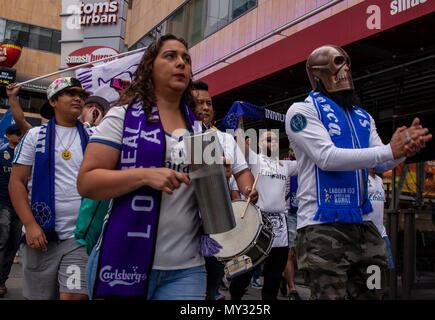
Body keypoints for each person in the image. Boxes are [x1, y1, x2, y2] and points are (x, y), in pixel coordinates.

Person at [77, 34, 256, 300]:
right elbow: (87, 183)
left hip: (186, 268)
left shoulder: (201, 131)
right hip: (124, 261)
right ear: (150, 67)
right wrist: (145, 176)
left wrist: (222, 181)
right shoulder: (123, 117)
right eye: (170, 56)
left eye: (186, 59)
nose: (181, 63)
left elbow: (211, 202)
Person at [285, 44, 432, 300]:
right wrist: (390, 151)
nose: (346, 69)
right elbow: (327, 157)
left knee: (374, 292)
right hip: (322, 229)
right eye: (339, 63)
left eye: (347, 63)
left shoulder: (363, 116)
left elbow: (379, 164)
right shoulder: (301, 111)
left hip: (366, 229)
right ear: (317, 74)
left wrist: (404, 150)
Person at [9, 77, 93, 300]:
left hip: (78, 237)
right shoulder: (34, 136)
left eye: (82, 95)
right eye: (71, 93)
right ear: (53, 101)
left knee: (74, 296)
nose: (78, 98)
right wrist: (30, 225)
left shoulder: (93, 137)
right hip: (40, 238)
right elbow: (16, 183)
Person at [191, 79, 257, 300]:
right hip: (185, 227)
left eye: (209, 103)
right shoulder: (179, 136)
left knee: (210, 288)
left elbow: (242, 173)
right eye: (199, 103)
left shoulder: (226, 139)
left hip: (217, 228)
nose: (206, 107)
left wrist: (248, 190)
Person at [229, 128, 297, 300]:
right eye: (268, 139)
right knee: (244, 272)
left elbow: (308, 160)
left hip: (280, 229)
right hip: (256, 225)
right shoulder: (254, 159)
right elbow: (240, 144)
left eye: (274, 140)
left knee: (274, 276)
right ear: (259, 143)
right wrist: (239, 120)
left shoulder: (286, 165)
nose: (272, 143)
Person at [0, 124, 23, 298]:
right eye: (15, 134)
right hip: (3, 203)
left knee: (12, 244)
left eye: (20, 134)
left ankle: (2, 281)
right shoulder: (2, 153)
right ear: (8, 136)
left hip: (20, 205)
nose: (18, 136)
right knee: (3, 239)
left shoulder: (24, 152)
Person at [281, 145, 301, 300]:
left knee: (298, 253)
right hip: (290, 213)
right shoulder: (285, 165)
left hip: (305, 213)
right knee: (290, 251)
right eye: (292, 149)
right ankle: (292, 288)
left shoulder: (307, 165)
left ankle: (283, 274)